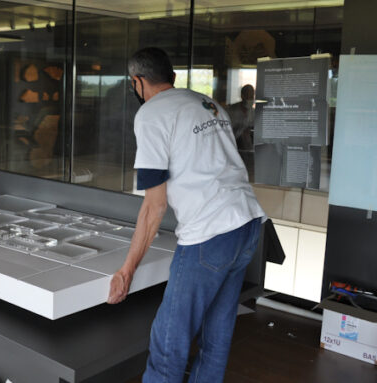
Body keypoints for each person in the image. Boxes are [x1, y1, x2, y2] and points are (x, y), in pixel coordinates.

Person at [107, 47, 265, 383]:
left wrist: (127, 270)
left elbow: (155, 205)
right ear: (173, 78)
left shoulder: (151, 114)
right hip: (247, 223)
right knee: (216, 337)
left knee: (169, 344)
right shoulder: (206, 103)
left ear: (137, 82)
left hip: (209, 235)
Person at [227, 84, 255, 152]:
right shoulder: (231, 111)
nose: (250, 99)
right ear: (242, 96)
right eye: (248, 96)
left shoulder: (254, 112)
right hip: (231, 146)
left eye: (252, 96)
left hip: (247, 149)